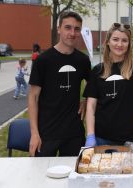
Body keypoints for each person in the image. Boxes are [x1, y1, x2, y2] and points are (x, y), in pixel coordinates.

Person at [84, 23, 133, 155]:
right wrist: (90, 135)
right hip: (101, 138)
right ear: (108, 42)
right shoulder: (98, 71)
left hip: (129, 138)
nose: (120, 44)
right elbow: (91, 106)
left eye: (124, 40)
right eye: (115, 39)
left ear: (129, 44)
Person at [28, 11, 91, 157]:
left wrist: (86, 99)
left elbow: (92, 85)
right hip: (46, 132)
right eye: (68, 28)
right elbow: (33, 97)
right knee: (41, 175)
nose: (72, 33)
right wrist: (34, 133)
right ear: (58, 29)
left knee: (74, 175)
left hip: (74, 132)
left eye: (76, 29)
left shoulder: (82, 60)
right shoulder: (43, 60)